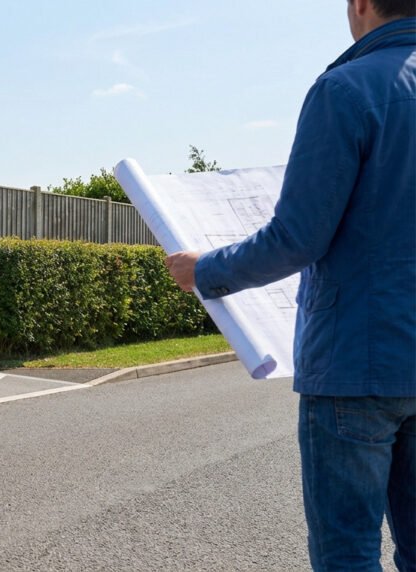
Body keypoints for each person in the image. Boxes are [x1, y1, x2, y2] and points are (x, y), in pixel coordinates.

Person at [163, 1, 416, 570]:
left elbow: (298, 236)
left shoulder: (346, 90)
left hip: (357, 365)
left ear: (360, 5)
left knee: (346, 550)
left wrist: (204, 270)